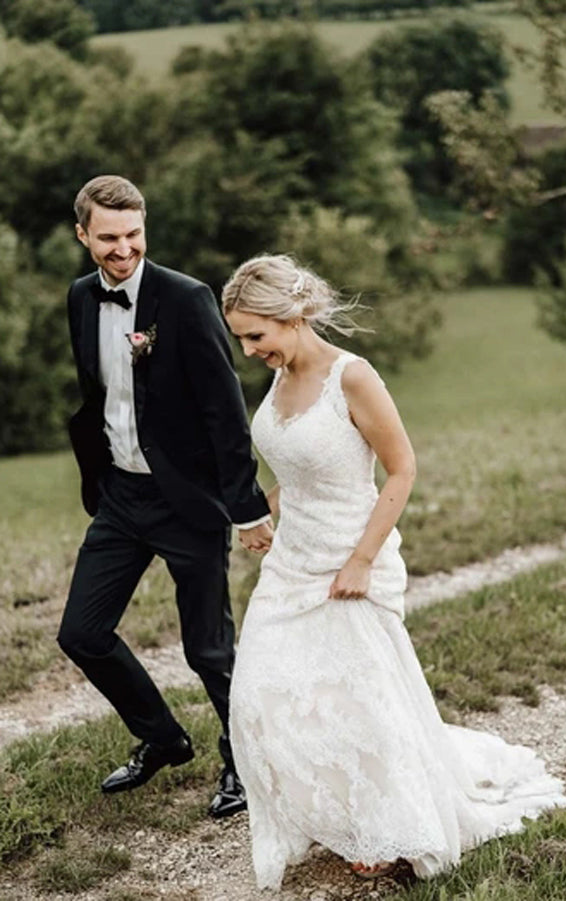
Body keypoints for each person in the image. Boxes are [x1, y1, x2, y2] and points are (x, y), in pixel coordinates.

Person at [221, 253, 566, 888]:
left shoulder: (352, 377)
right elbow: (300, 471)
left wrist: (361, 560)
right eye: (241, 338)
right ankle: (332, 811)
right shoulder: (280, 375)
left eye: (255, 335)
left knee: (357, 698)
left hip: (349, 557)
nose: (248, 351)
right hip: (292, 561)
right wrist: (258, 513)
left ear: (293, 316)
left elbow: (402, 468)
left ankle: (381, 824)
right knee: (261, 692)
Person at [58, 175, 273, 817]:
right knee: (82, 633)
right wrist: (101, 473)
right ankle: (162, 738)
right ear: (83, 235)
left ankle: (243, 764)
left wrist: (246, 506)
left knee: (208, 649)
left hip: (188, 502)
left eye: (133, 234)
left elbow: (225, 411)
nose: (123, 248)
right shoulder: (80, 298)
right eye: (108, 237)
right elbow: (99, 394)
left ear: (144, 228)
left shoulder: (185, 299)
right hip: (120, 497)